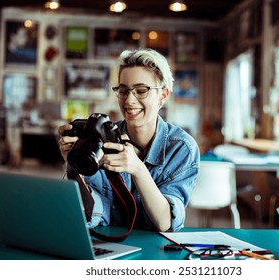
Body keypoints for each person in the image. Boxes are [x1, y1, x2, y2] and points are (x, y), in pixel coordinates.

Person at [58, 48, 200, 232]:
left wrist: (138, 169)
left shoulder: (182, 148)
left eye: (141, 91)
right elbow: (95, 212)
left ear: (163, 95)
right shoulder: (102, 138)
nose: (129, 101)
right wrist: (75, 165)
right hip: (109, 246)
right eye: (123, 90)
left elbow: (165, 222)